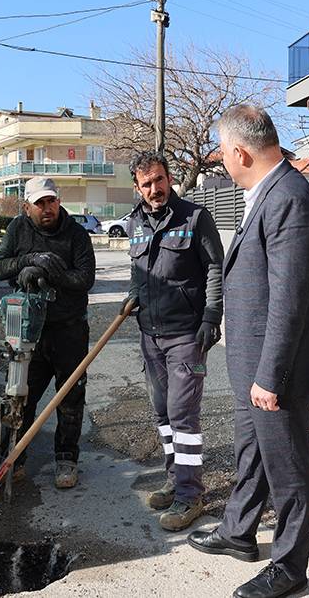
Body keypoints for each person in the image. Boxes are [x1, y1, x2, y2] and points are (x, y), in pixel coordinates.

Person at [187, 105, 309, 598]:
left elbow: (291, 298)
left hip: (276, 367)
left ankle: (290, 565)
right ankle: (238, 531)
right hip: (250, 362)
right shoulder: (266, 192)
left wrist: (271, 376)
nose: (221, 162)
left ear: (239, 151)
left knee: (288, 466)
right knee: (250, 452)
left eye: (221, 152)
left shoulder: (289, 198)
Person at [121, 152, 224, 531]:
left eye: (159, 180)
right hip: (150, 335)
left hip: (186, 336)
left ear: (170, 178)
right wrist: (133, 294)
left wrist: (212, 316)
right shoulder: (134, 224)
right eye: (146, 184)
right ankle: (174, 476)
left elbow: (215, 266)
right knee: (163, 414)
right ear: (137, 186)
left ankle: (190, 494)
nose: (154, 189)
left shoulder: (195, 218)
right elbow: (140, 272)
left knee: (183, 415)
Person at [0, 176, 96, 490]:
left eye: (52, 201)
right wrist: (30, 260)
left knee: (70, 397)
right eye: (40, 203)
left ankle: (67, 459)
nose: (47, 208)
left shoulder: (76, 234)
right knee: (20, 396)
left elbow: (85, 279)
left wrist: (51, 272)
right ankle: (11, 463)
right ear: (27, 206)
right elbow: (0, 266)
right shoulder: (18, 229)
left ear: (58, 201)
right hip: (29, 332)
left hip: (69, 329)